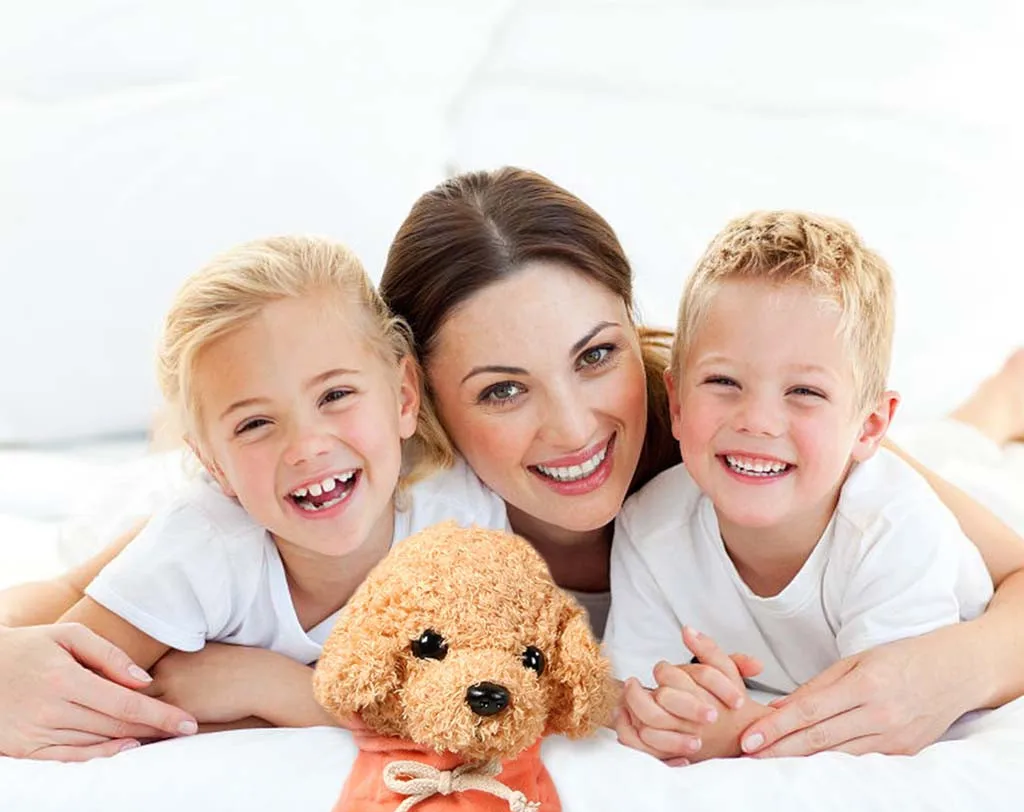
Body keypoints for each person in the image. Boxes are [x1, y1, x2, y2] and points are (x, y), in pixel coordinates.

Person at [4, 169, 1024, 763]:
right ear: (421, 403)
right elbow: (70, 604)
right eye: (501, 390)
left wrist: (956, 668)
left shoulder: (736, 428)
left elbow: (1003, 567)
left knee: (954, 450)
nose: (573, 428)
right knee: (157, 477)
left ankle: (989, 406)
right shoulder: (364, 486)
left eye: (595, 355)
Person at [51, 235, 506, 725]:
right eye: (255, 423)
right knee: (74, 584)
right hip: (153, 510)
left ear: (403, 397)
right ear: (215, 465)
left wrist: (273, 687)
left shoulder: (460, 522)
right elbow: (65, 691)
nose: (307, 446)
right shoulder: (194, 554)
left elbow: (490, 706)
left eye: (335, 395)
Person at [605, 210, 994, 763]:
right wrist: (681, 710)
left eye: (805, 392)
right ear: (677, 403)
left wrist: (738, 731)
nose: (758, 421)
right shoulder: (649, 525)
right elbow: (635, 697)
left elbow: (878, 729)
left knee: (971, 463)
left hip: (965, 524)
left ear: (870, 427)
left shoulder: (896, 531)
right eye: (723, 381)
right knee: (951, 445)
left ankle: (1000, 403)